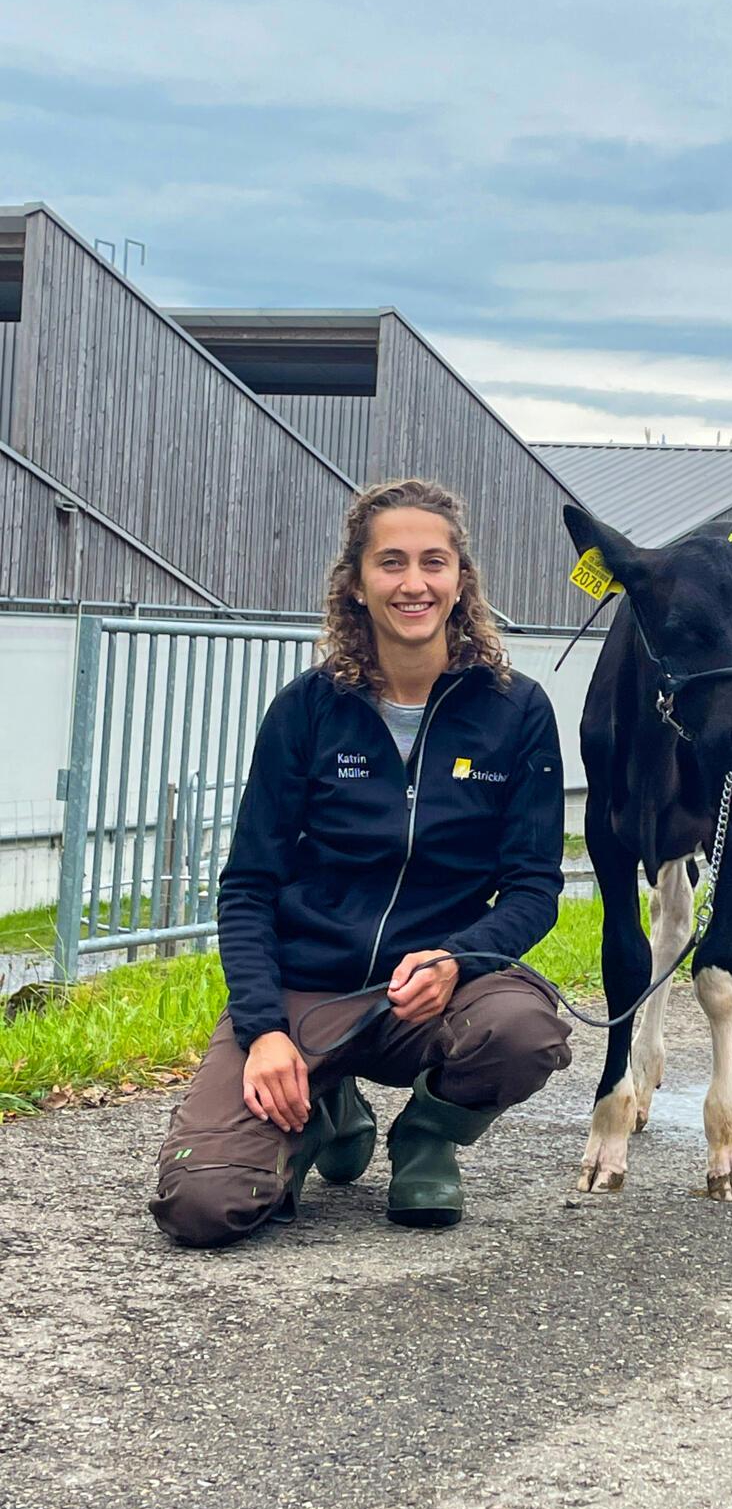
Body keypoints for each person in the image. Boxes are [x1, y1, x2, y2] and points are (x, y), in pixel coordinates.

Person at [151, 479, 571, 1248]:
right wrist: (265, 1029)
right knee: (203, 1207)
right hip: (306, 990)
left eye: (433, 562)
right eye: (391, 563)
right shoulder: (306, 709)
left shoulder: (517, 710)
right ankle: (320, 1111)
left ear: (460, 581)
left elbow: (535, 887)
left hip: (431, 995)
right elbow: (247, 886)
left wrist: (458, 957)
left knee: (523, 1028)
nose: (413, 582)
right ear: (355, 582)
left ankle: (427, 1136)